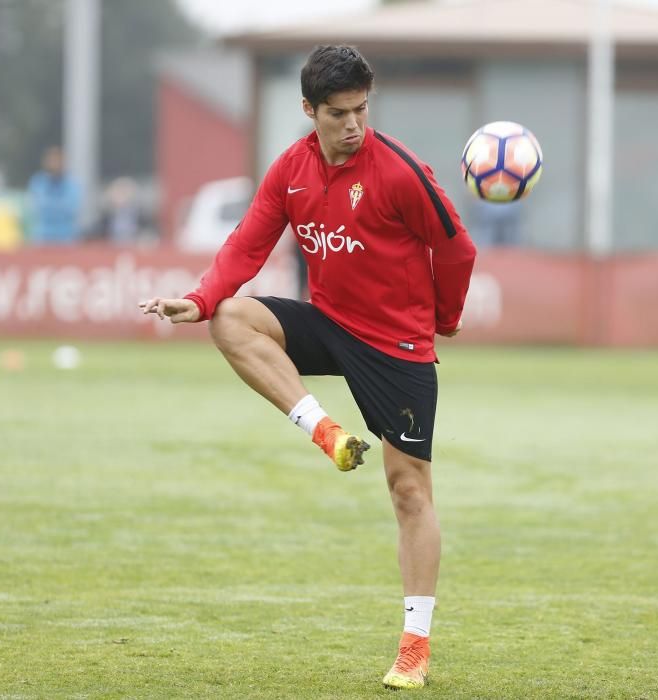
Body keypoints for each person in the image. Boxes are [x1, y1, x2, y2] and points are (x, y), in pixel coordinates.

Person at [139, 44, 476, 690]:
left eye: (361, 110)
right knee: (230, 319)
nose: (353, 125)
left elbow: (456, 247)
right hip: (331, 327)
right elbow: (247, 244)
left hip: (397, 346)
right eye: (338, 113)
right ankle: (326, 432)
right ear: (308, 110)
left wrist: (446, 318)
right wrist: (201, 296)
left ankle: (414, 647)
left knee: (409, 493)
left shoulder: (401, 172)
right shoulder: (290, 170)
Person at [26, 146, 82, 244]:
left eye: (58, 160)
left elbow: (71, 209)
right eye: (52, 160)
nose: (55, 164)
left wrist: (50, 205)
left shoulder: (73, 183)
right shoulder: (38, 182)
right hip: (42, 238)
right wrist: (59, 205)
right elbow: (38, 208)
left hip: (66, 238)